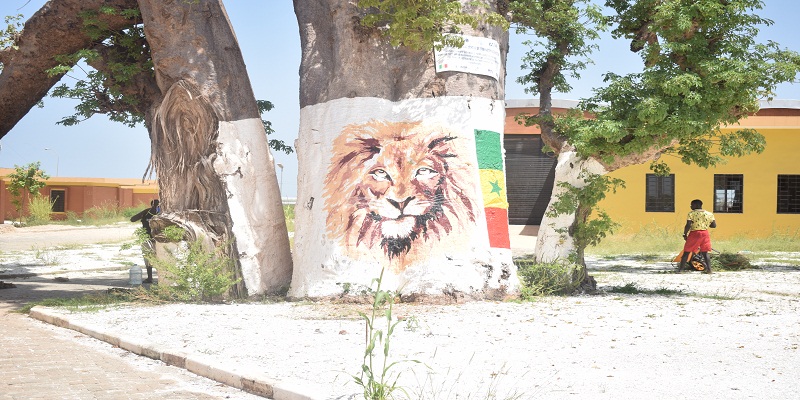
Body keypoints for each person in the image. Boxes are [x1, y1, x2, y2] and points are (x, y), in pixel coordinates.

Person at [679, 199, 716, 274]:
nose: (690, 206)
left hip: (694, 233)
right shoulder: (709, 214)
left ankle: (681, 270)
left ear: (696, 205)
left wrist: (685, 234)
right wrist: (705, 224)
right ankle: (709, 270)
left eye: (691, 205)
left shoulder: (691, 214)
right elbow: (714, 225)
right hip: (705, 234)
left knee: (686, 252)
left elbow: (688, 225)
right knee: (705, 252)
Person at [130, 199, 160, 283]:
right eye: (154, 206)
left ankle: (161, 278)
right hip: (147, 238)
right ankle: (150, 278)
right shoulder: (147, 213)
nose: (156, 208)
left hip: (159, 240)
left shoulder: (163, 214)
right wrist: (145, 212)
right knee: (148, 258)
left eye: (157, 206)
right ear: (151, 205)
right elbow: (132, 219)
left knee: (160, 258)